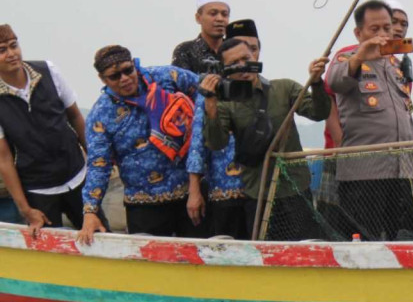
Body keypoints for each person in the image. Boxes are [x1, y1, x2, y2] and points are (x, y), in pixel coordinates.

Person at [201, 38, 331, 240]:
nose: (242, 66)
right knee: (266, 254)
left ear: (255, 55)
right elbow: (217, 143)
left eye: (246, 58)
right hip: (258, 192)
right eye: (234, 63)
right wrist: (210, 103)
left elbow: (319, 112)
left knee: (306, 249)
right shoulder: (226, 104)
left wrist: (316, 82)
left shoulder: (284, 89)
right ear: (224, 69)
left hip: (296, 188)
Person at [77, 45, 201, 244]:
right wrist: (90, 211)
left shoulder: (166, 77)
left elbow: (205, 90)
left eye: (128, 70)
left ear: (134, 64)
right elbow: (99, 165)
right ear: (103, 79)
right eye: (115, 76)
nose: (124, 78)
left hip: (191, 195)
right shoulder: (101, 115)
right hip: (143, 205)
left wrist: (198, 126)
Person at [326, 0, 413, 241]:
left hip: (401, 173)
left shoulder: (396, 64)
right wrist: (361, 55)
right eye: (374, 29)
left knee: (403, 241)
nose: (382, 34)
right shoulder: (347, 59)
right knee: (364, 242)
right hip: (364, 176)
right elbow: (335, 82)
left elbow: (406, 118)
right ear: (359, 33)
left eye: (387, 27)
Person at [0, 24, 90, 235]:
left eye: (14, 46)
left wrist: (94, 164)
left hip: (77, 175)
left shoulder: (48, 71)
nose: (11, 54)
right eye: (2, 50)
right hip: (38, 188)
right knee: (51, 253)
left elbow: (76, 116)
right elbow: (3, 158)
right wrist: (26, 209)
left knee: (100, 238)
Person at [184, 20, 261, 239]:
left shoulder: (265, 87)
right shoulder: (211, 89)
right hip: (223, 192)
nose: (243, 61)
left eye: (251, 51)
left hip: (259, 191)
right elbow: (198, 144)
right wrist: (195, 191)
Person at [172, 0, 230, 73]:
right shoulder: (186, 50)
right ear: (198, 18)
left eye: (224, 14)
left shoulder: (234, 51)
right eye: (213, 13)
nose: (220, 19)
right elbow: (180, 83)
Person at [385, 0, 413, 89]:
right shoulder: (352, 55)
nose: (399, 29)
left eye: (404, 24)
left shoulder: (402, 68)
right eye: (393, 22)